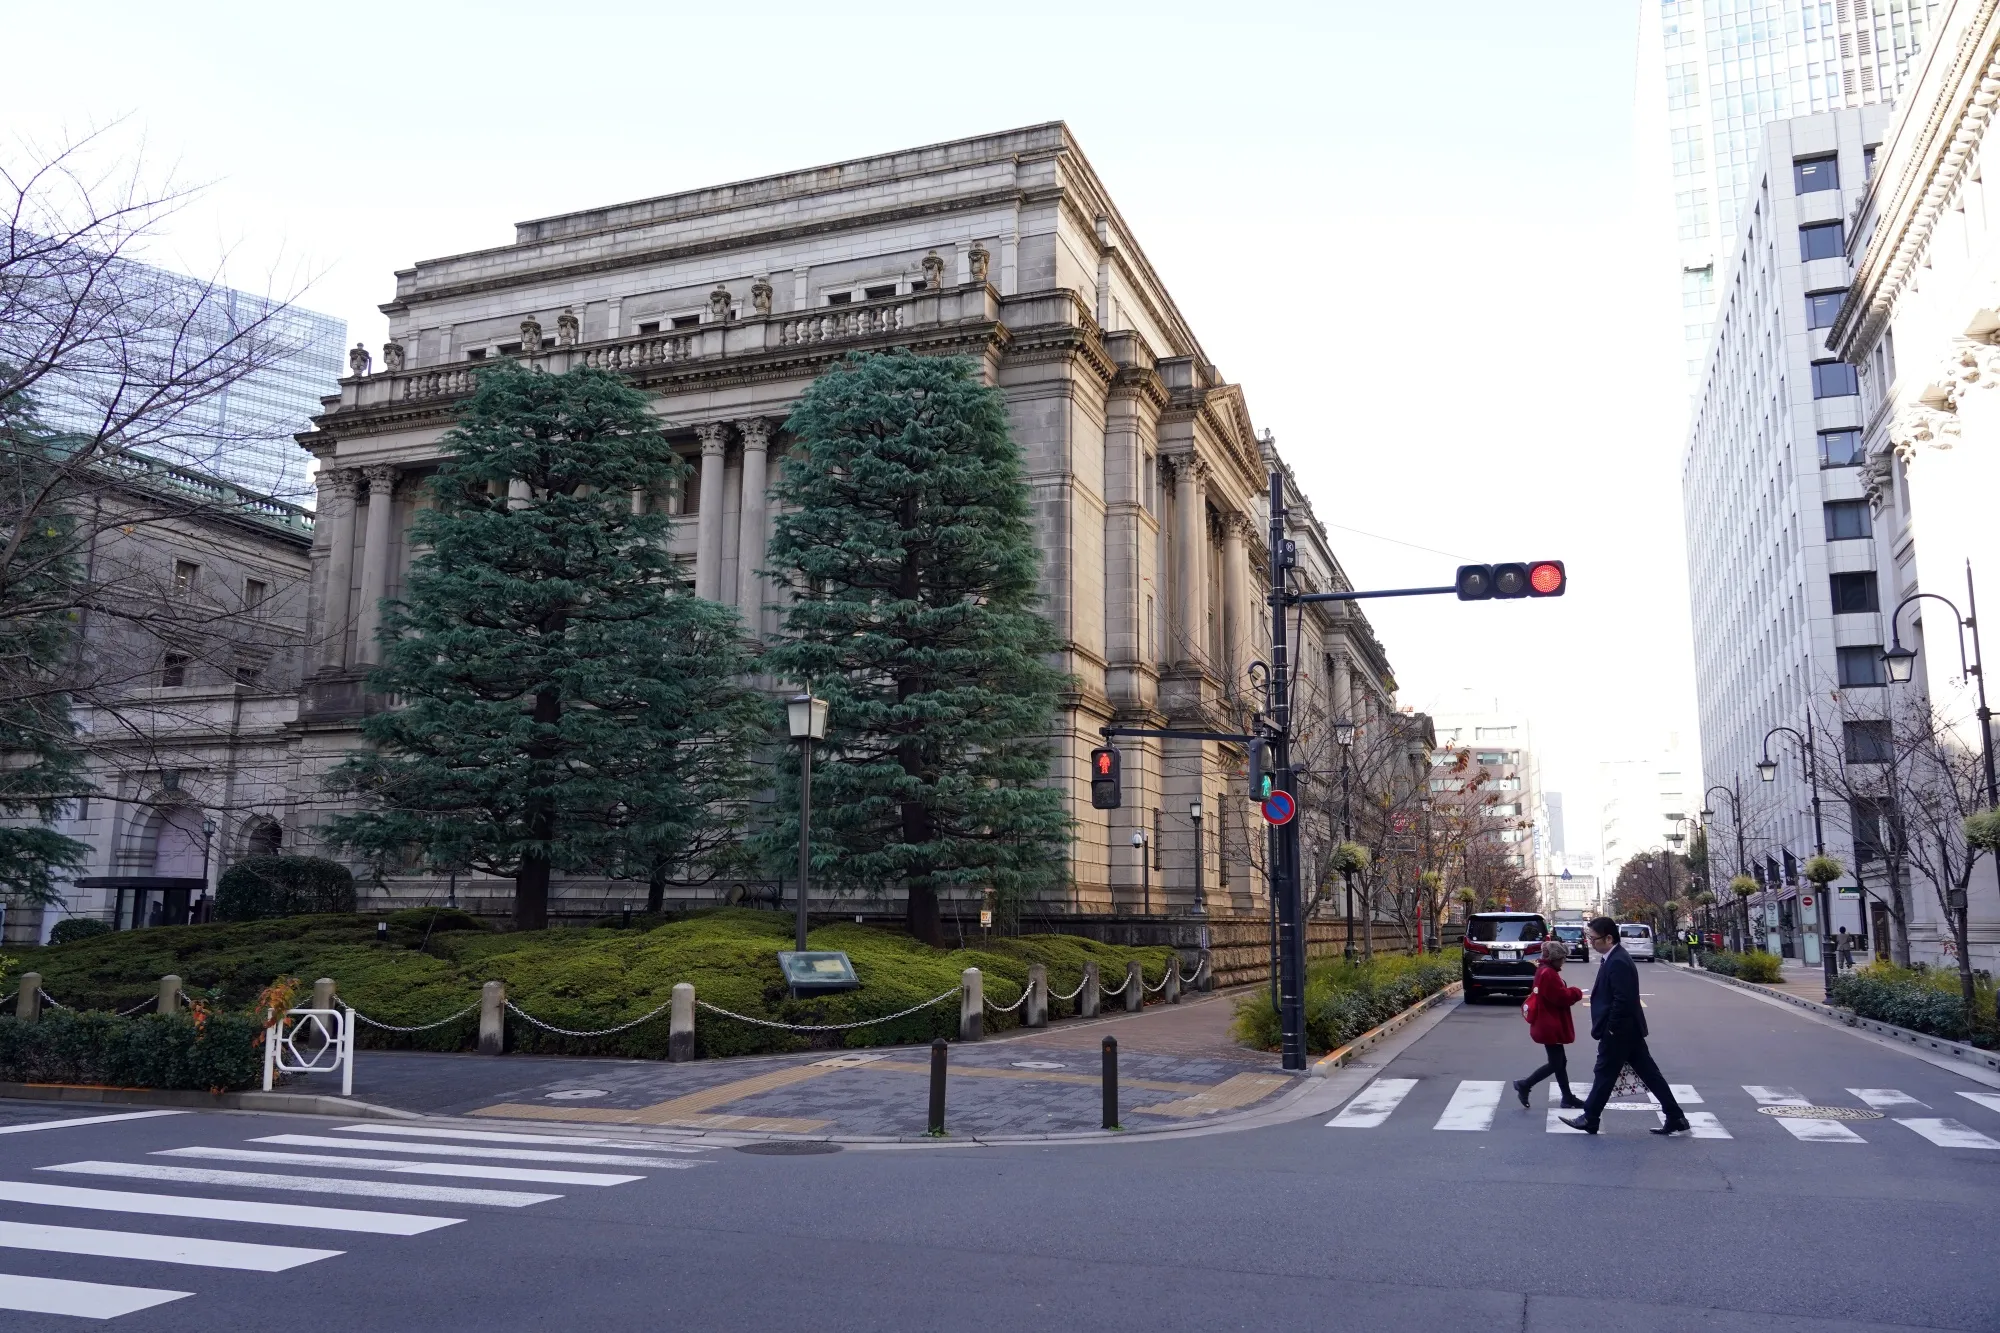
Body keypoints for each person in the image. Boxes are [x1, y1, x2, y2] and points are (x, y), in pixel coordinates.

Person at [1561, 915, 1691, 1136]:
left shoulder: (1618, 961)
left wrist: (1611, 1027)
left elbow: (1624, 999)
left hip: (1620, 1031)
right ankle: (1676, 1116)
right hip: (1627, 1030)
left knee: (1605, 1072)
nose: (1590, 942)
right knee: (1649, 1074)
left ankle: (1590, 1117)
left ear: (1608, 938)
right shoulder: (1614, 958)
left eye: (1593, 938)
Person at [1512, 938, 1584, 1109]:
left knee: (1560, 1062)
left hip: (1547, 1022)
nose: (1563, 962)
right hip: (1551, 1024)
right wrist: (1575, 992)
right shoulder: (1549, 974)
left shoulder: (1543, 970)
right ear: (1555, 958)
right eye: (1562, 958)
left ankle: (1567, 1097)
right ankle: (1525, 1084)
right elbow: (1561, 997)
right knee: (1556, 1063)